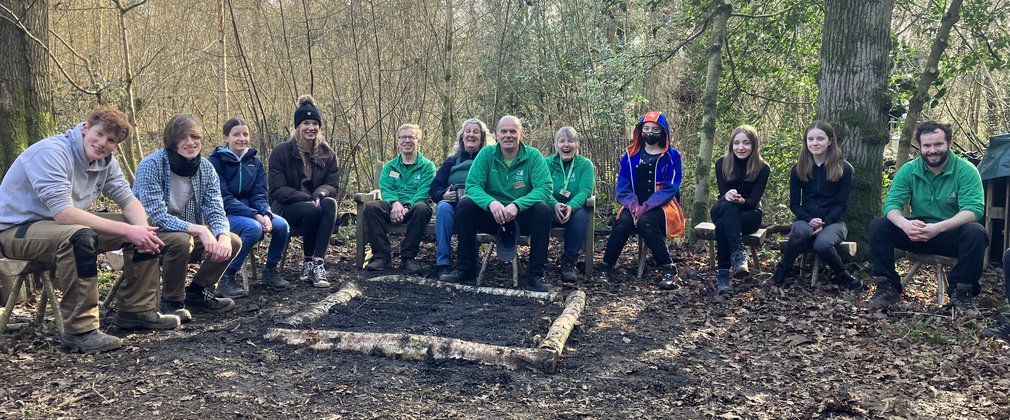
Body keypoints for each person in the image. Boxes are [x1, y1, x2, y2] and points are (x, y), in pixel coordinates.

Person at [0, 107, 179, 353]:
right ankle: (80, 330)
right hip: (16, 229)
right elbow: (64, 213)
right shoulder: (51, 152)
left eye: (111, 140)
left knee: (143, 228)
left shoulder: (107, 163)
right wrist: (128, 232)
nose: (102, 143)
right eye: (100, 134)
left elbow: (128, 200)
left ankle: (137, 311)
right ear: (85, 128)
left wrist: (140, 230)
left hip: (58, 225)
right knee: (79, 237)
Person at [867, 121, 986, 315]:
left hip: (950, 235)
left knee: (976, 232)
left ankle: (962, 293)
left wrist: (938, 228)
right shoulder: (909, 170)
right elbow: (891, 206)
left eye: (938, 144)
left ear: (950, 143)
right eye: (927, 146)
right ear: (920, 147)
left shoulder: (966, 171)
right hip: (917, 233)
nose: (932, 150)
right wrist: (905, 224)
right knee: (879, 226)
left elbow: (974, 210)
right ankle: (887, 287)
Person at [135, 114, 240, 322]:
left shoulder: (206, 168)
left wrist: (222, 234)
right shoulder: (151, 165)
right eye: (183, 137)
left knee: (233, 241)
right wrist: (199, 228)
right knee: (182, 239)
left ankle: (198, 292)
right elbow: (156, 216)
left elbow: (215, 208)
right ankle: (171, 301)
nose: (190, 143)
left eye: (195, 137)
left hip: (188, 235)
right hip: (150, 235)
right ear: (172, 142)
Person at [442, 115, 554, 292]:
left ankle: (536, 275)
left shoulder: (533, 156)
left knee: (543, 210)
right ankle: (465, 269)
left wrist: (517, 205)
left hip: (521, 216)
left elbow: (545, 188)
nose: (508, 135)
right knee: (465, 205)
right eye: (504, 131)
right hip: (491, 215)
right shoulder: (487, 154)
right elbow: (472, 186)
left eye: (513, 131)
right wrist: (491, 203)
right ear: (497, 135)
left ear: (521, 135)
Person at [767, 121, 860, 290]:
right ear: (806, 142)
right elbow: (794, 204)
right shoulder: (798, 169)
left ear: (830, 141)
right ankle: (780, 273)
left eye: (820, 139)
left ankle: (844, 275)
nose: (815, 143)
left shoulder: (843, 168)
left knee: (822, 245)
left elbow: (841, 203)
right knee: (800, 232)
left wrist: (824, 222)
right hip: (805, 219)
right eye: (810, 139)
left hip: (834, 222)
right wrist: (810, 220)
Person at [599, 111, 685, 289]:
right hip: (633, 204)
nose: (650, 132)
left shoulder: (672, 156)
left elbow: (671, 187)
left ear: (663, 131)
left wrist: (646, 207)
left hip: (662, 205)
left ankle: (669, 268)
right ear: (640, 131)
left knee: (646, 222)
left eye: (655, 129)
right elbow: (623, 186)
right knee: (622, 222)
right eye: (646, 128)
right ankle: (605, 267)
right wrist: (633, 206)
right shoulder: (630, 156)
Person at [208, 118, 292, 296]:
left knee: (282, 225)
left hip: (253, 212)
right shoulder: (215, 162)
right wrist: (255, 215)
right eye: (236, 134)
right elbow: (224, 198)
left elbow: (260, 194)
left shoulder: (255, 162)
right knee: (253, 228)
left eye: (245, 134)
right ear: (226, 138)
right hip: (225, 213)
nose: (242, 138)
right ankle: (226, 276)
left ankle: (270, 271)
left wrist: (266, 213)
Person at [268, 95, 340, 288]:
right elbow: (277, 189)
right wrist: (308, 197)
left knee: (329, 203)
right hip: (285, 207)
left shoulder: (326, 153)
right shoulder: (281, 151)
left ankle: (316, 263)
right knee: (313, 209)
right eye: (306, 123)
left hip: (314, 203)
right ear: (297, 126)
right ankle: (307, 261)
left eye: (315, 123)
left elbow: (332, 184)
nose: (311, 128)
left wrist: (319, 194)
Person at [361, 124, 435, 273]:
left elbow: (424, 191)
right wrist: (395, 203)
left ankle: (408, 257)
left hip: (416, 208)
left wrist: (407, 206)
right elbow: (387, 188)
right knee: (371, 207)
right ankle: (381, 256)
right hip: (393, 205)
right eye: (403, 137)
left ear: (418, 141)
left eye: (411, 137)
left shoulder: (427, 166)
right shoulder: (390, 167)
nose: (407, 141)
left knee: (421, 207)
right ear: (398, 141)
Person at [429, 118, 493, 280]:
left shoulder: (489, 160)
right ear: (462, 136)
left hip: (479, 207)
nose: (471, 135)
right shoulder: (451, 161)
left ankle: (470, 261)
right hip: (453, 205)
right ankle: (443, 263)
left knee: (470, 209)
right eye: (468, 131)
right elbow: (434, 188)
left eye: (476, 132)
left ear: (482, 137)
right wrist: (444, 195)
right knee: (442, 208)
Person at [709, 125, 770, 293]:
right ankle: (738, 255)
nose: (741, 147)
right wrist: (728, 196)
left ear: (754, 145)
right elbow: (722, 194)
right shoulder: (722, 163)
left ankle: (723, 275)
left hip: (749, 215)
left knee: (723, 225)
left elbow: (753, 202)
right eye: (736, 143)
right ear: (731, 145)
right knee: (728, 208)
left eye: (746, 143)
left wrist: (741, 200)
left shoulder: (763, 168)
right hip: (723, 207)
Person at [546, 126, 596, 282]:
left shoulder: (585, 164)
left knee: (581, 216)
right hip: (550, 208)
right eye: (562, 141)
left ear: (577, 145)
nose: (566, 145)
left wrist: (571, 206)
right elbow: (541, 188)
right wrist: (554, 204)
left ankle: (568, 262)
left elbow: (586, 190)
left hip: (574, 209)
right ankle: (538, 261)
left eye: (570, 141)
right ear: (556, 145)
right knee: (538, 212)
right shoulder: (546, 163)